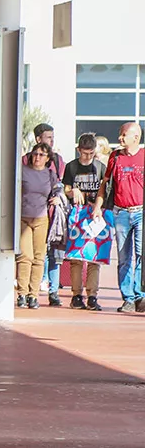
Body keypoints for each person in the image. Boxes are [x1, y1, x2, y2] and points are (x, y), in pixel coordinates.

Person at [92, 122, 144, 314]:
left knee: (142, 256)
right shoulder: (115, 157)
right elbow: (105, 184)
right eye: (120, 135)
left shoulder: (143, 156)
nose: (120, 138)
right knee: (124, 257)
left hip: (140, 212)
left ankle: (140, 295)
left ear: (135, 138)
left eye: (124, 135)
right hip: (120, 212)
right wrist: (98, 206)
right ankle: (128, 298)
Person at [22, 124, 67, 305]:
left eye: (52, 137)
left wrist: (59, 197)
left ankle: (46, 292)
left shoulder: (56, 164)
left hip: (46, 216)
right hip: (24, 216)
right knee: (26, 256)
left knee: (48, 255)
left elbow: (59, 186)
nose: (52, 140)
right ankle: (22, 293)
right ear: (38, 139)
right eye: (48, 137)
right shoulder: (23, 163)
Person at [62, 133, 107, 311]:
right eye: (84, 153)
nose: (88, 157)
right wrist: (73, 191)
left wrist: (99, 206)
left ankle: (92, 295)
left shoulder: (100, 167)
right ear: (78, 150)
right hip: (77, 214)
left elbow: (104, 188)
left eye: (91, 153)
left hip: (95, 214)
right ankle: (76, 294)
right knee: (76, 257)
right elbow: (65, 187)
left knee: (95, 258)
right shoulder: (72, 167)